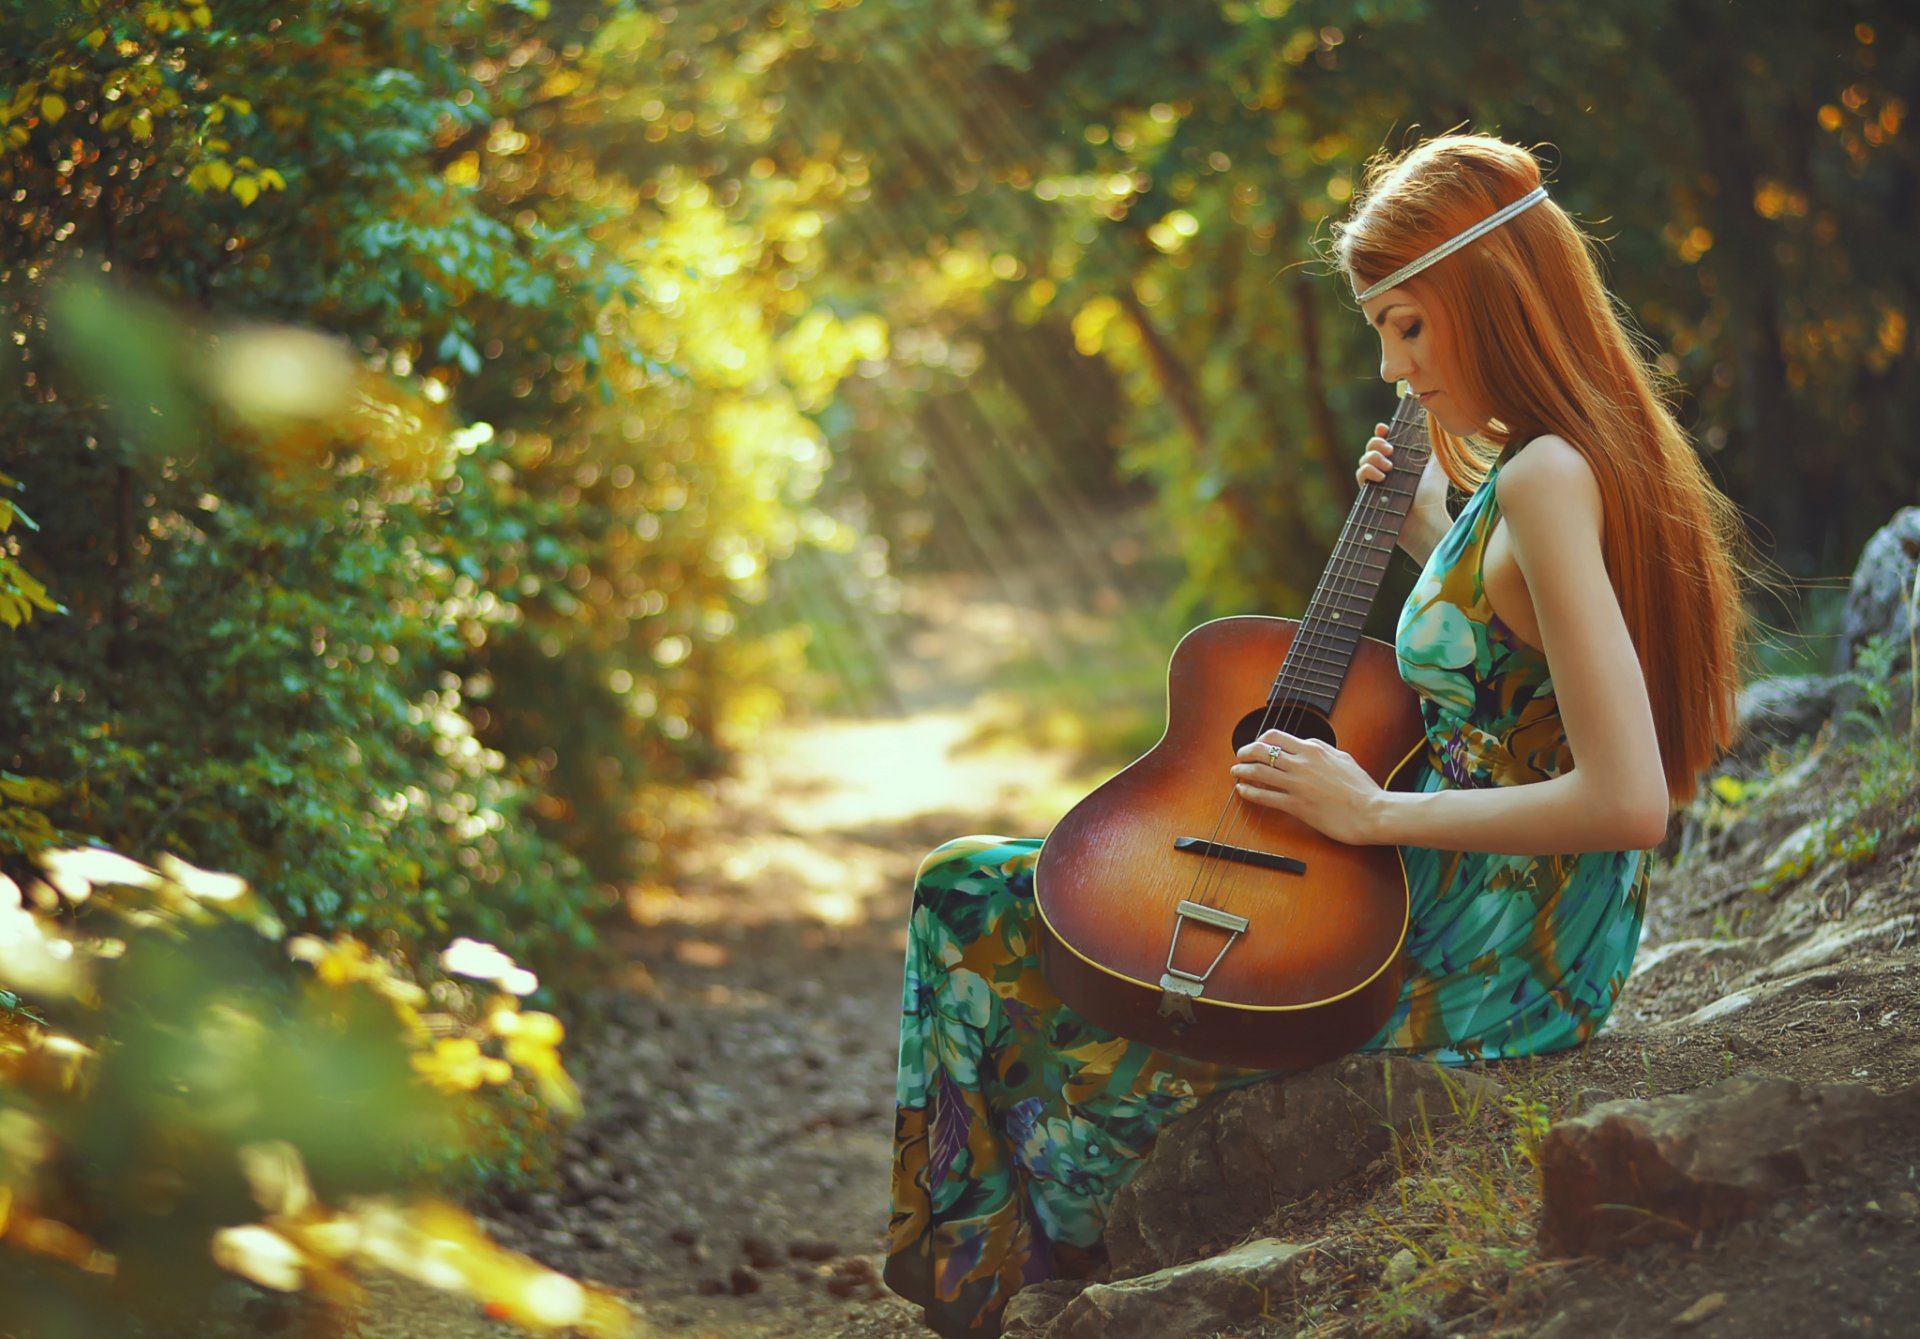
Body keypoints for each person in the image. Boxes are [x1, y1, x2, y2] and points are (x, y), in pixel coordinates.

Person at [880, 131, 1755, 1339]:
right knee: (976, 888)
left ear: (1489, 294)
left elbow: (1629, 801)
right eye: (1379, 332)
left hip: (1500, 940)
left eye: (1409, 325)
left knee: (984, 910)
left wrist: (1370, 811)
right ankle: (1000, 1280)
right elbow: (1506, 634)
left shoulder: (1555, 474)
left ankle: (1009, 1278)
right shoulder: (1530, 469)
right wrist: (1423, 527)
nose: (1394, 364)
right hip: (1446, 871)